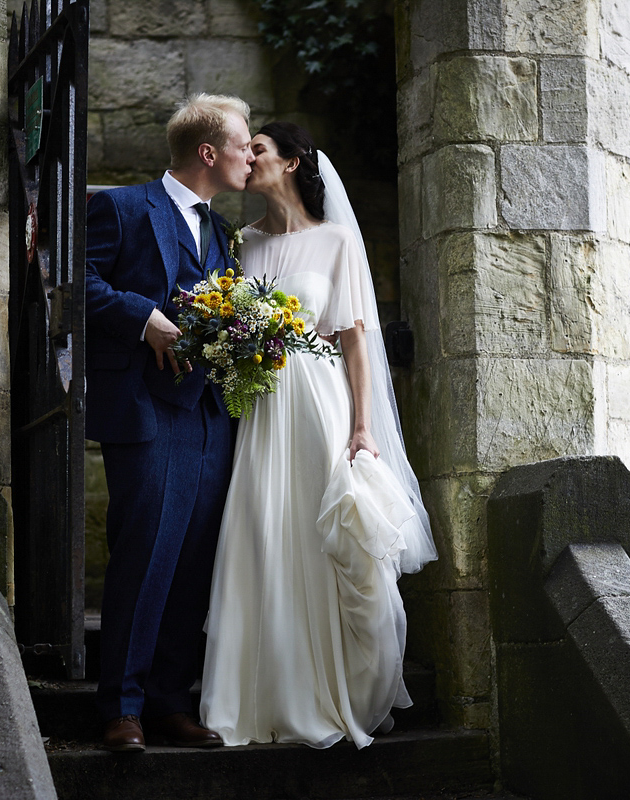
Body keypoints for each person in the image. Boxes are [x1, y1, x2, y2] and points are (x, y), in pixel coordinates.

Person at [199, 122, 438, 749]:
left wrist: (362, 426)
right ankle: (259, 696)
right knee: (261, 530)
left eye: (258, 150)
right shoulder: (238, 243)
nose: (247, 158)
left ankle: (334, 689)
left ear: (293, 162)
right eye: (243, 149)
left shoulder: (335, 242)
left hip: (319, 405)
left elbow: (357, 342)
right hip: (258, 411)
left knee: (323, 533)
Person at [84, 93, 253, 752]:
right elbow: (74, 283)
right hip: (147, 412)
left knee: (194, 559)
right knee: (145, 553)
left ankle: (168, 701)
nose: (251, 154)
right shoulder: (122, 208)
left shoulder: (226, 233)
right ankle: (119, 707)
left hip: (212, 413)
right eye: (243, 143)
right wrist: (142, 315)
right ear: (209, 152)